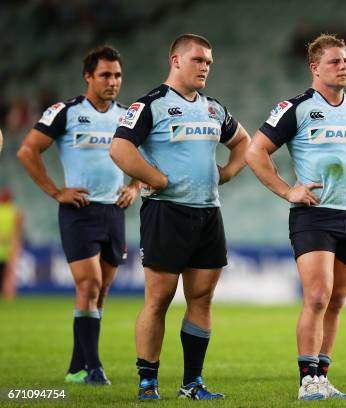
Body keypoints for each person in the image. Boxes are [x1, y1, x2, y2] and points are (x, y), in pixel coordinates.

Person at [247, 34, 346, 400]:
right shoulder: (296, 108)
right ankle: (306, 380)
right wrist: (287, 190)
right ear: (314, 68)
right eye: (334, 61)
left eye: (345, 61)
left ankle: (322, 377)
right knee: (316, 296)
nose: (343, 66)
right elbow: (255, 151)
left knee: (336, 302)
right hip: (312, 216)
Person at [110, 34, 250, 401]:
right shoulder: (151, 104)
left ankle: (192, 383)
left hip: (208, 212)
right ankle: (147, 382)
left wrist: (229, 172)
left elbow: (243, 142)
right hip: (166, 213)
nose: (205, 67)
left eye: (209, 62)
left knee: (202, 299)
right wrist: (153, 178)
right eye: (198, 60)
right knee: (158, 300)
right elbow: (119, 146)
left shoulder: (214, 109)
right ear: (176, 60)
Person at [17, 45, 139, 385]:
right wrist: (56, 191)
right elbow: (27, 151)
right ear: (88, 76)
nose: (112, 81)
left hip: (114, 212)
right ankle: (94, 368)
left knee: (98, 294)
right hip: (79, 211)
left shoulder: (127, 116)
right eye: (105, 75)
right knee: (89, 283)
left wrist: (135, 186)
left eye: (117, 75)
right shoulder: (65, 112)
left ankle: (76, 367)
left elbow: (147, 157)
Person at [0, 187, 23, 299]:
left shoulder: (14, 211)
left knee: (9, 273)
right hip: (10, 244)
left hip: (7, 244)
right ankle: (9, 294)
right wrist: (17, 244)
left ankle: (8, 294)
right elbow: (18, 231)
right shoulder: (15, 211)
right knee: (9, 273)